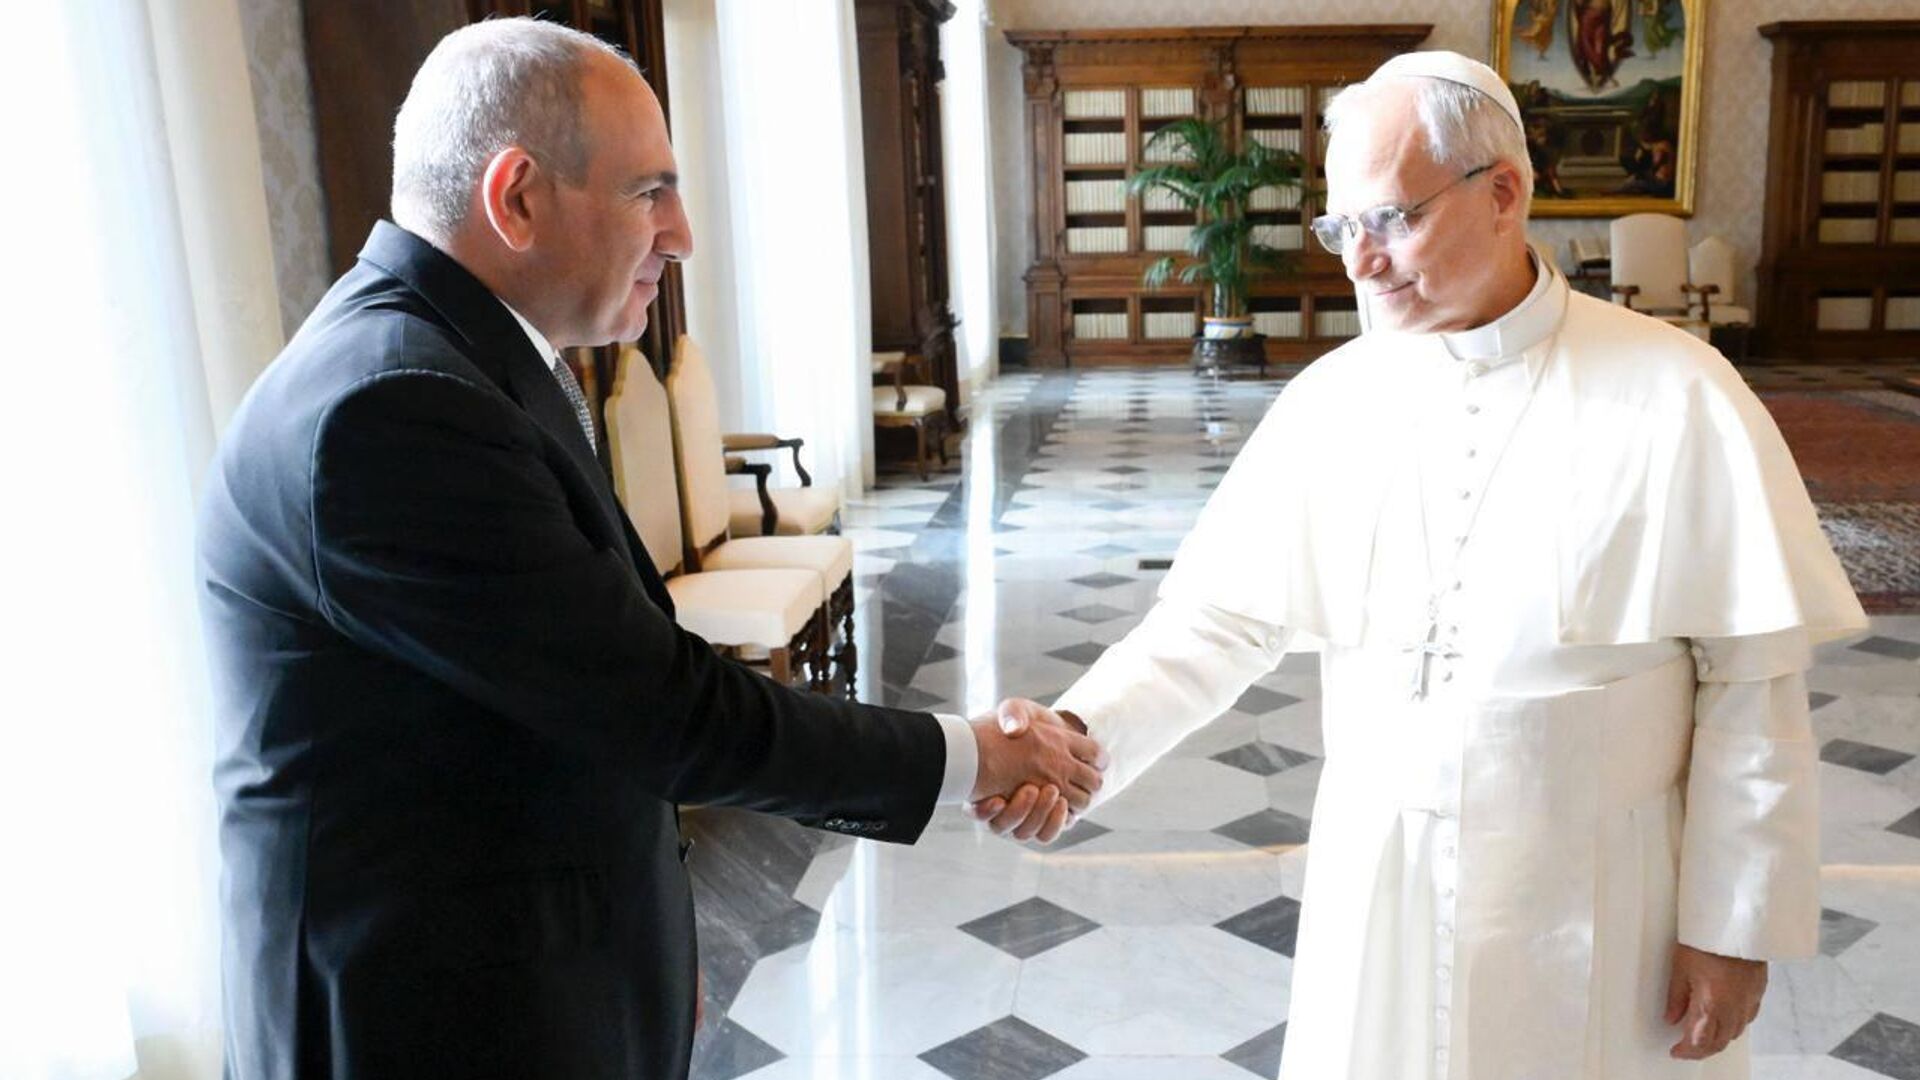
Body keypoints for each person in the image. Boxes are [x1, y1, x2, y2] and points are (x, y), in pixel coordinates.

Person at [197, 19, 1099, 1080]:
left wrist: (649, 944)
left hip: (530, 968)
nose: (681, 235)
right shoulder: (391, 410)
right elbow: (659, 708)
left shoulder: (461, 363)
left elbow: (570, 701)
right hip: (427, 1018)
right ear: (517, 197)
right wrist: (972, 755)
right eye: (649, 192)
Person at [979, 51, 1864, 1080]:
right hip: (1382, 884)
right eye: (1340, 227)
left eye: (1392, 219)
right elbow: (1218, 623)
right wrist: (1078, 739)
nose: (1361, 262)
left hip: (1604, 894)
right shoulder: (1332, 400)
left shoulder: (1680, 392)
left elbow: (1753, 683)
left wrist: (1732, 927)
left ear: (1504, 193)